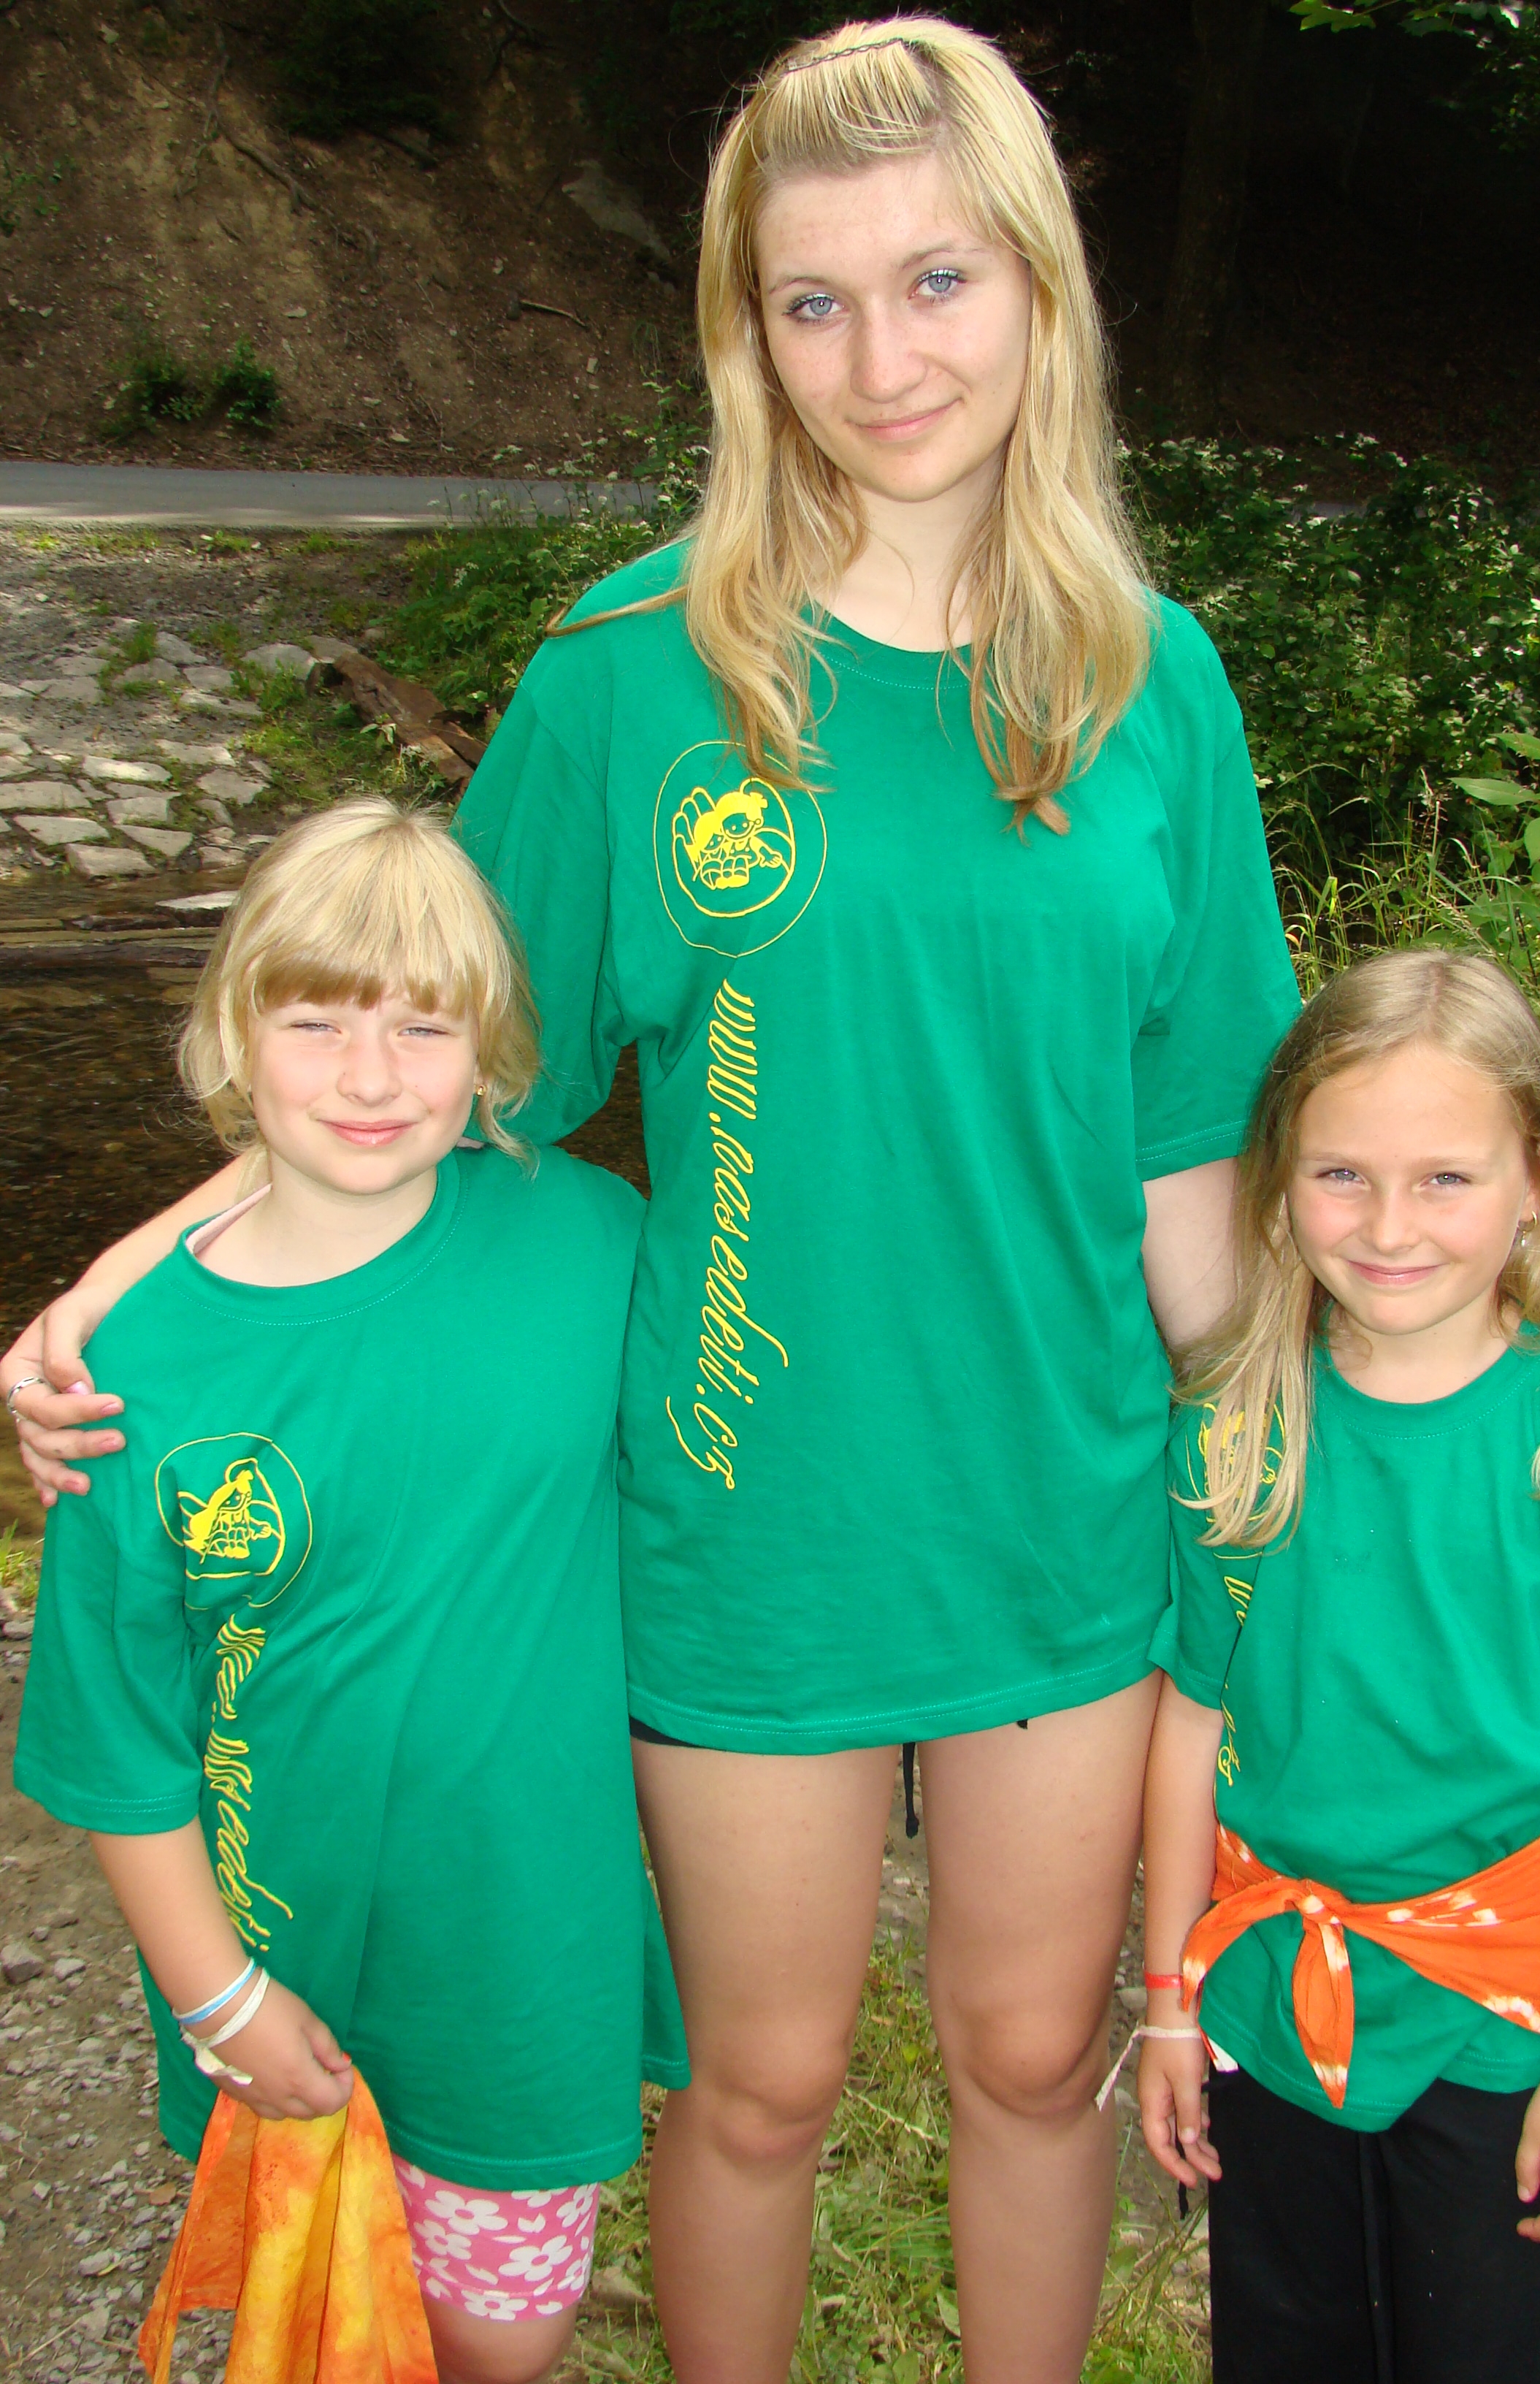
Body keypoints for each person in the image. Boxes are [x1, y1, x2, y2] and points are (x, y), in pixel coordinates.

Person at [4, 21, 1299, 2380]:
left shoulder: (1157, 687)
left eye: (936, 281)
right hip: (738, 1524)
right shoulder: (633, 675)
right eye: (814, 301)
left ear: (1037, 285)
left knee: (1033, 2061)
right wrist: (125, 1281)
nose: (882, 360)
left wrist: (1361, 1429)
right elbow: (409, 1073)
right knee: (758, 2085)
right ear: (742, 331)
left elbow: (1194, 1196)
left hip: (1060, 1518)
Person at [12, 801, 686, 2384]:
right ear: (233, 1037)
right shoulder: (133, 1375)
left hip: (525, 1942)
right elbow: (119, 1747)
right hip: (270, 1944)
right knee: (319, 2311)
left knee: (499, 2338)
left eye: (423, 1027)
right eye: (315, 1022)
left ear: (491, 1050)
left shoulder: (591, 1239)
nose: (372, 1077)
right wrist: (216, 2000)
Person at [1135, 947, 1540, 2384]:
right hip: (1275, 2008)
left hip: (1502, 2027)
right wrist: (1168, 2000)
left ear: (1537, 1178)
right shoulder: (1239, 1434)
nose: (1389, 1226)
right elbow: (1190, 1725)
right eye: (1342, 1174)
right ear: (1279, 1181)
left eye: (1446, 1179)